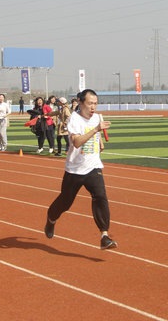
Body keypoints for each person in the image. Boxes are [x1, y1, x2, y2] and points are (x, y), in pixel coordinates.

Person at [44, 89, 117, 250]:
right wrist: (95, 129)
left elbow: (98, 136)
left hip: (93, 167)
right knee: (65, 202)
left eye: (95, 103)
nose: (93, 107)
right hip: (74, 170)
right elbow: (76, 143)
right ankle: (51, 219)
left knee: (100, 197)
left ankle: (104, 236)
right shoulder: (74, 119)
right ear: (81, 103)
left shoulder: (96, 117)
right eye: (90, 103)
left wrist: (100, 142)